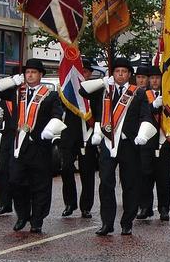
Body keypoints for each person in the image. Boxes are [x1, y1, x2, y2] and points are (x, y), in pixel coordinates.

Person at [80, 57, 155, 236]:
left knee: (130, 184)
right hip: (107, 142)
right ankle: (107, 222)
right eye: (117, 72)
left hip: (128, 143)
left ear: (129, 75)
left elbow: (145, 116)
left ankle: (127, 222)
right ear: (112, 74)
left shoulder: (137, 93)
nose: (120, 75)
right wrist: (100, 81)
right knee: (106, 183)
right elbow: (82, 91)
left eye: (124, 72)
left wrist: (142, 134)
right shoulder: (104, 90)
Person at [0, 58, 65, 233]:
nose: (29, 75)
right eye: (27, 72)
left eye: (33, 72)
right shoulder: (17, 92)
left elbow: (57, 114)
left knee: (40, 184)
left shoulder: (50, 95)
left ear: (40, 75)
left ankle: (37, 219)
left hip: (39, 146)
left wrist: (49, 130)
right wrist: (11, 81)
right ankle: (23, 214)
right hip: (19, 146)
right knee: (15, 181)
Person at [59, 59, 98, 219]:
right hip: (69, 133)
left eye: (86, 72)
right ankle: (70, 203)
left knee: (87, 172)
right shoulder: (67, 89)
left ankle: (86, 206)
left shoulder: (95, 91)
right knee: (66, 168)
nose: (83, 74)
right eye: (81, 71)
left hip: (88, 133)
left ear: (89, 74)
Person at [137, 65, 170, 221]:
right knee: (145, 175)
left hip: (164, 141)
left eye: (157, 78)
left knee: (164, 177)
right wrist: (153, 106)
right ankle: (145, 207)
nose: (154, 81)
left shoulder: (169, 96)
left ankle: (164, 208)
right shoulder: (142, 95)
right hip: (147, 142)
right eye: (152, 78)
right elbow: (140, 114)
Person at [0, 66, 20, 216]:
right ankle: (4, 203)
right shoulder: (7, 94)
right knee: (3, 170)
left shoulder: (25, 94)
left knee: (18, 172)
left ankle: (21, 204)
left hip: (22, 135)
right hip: (8, 135)